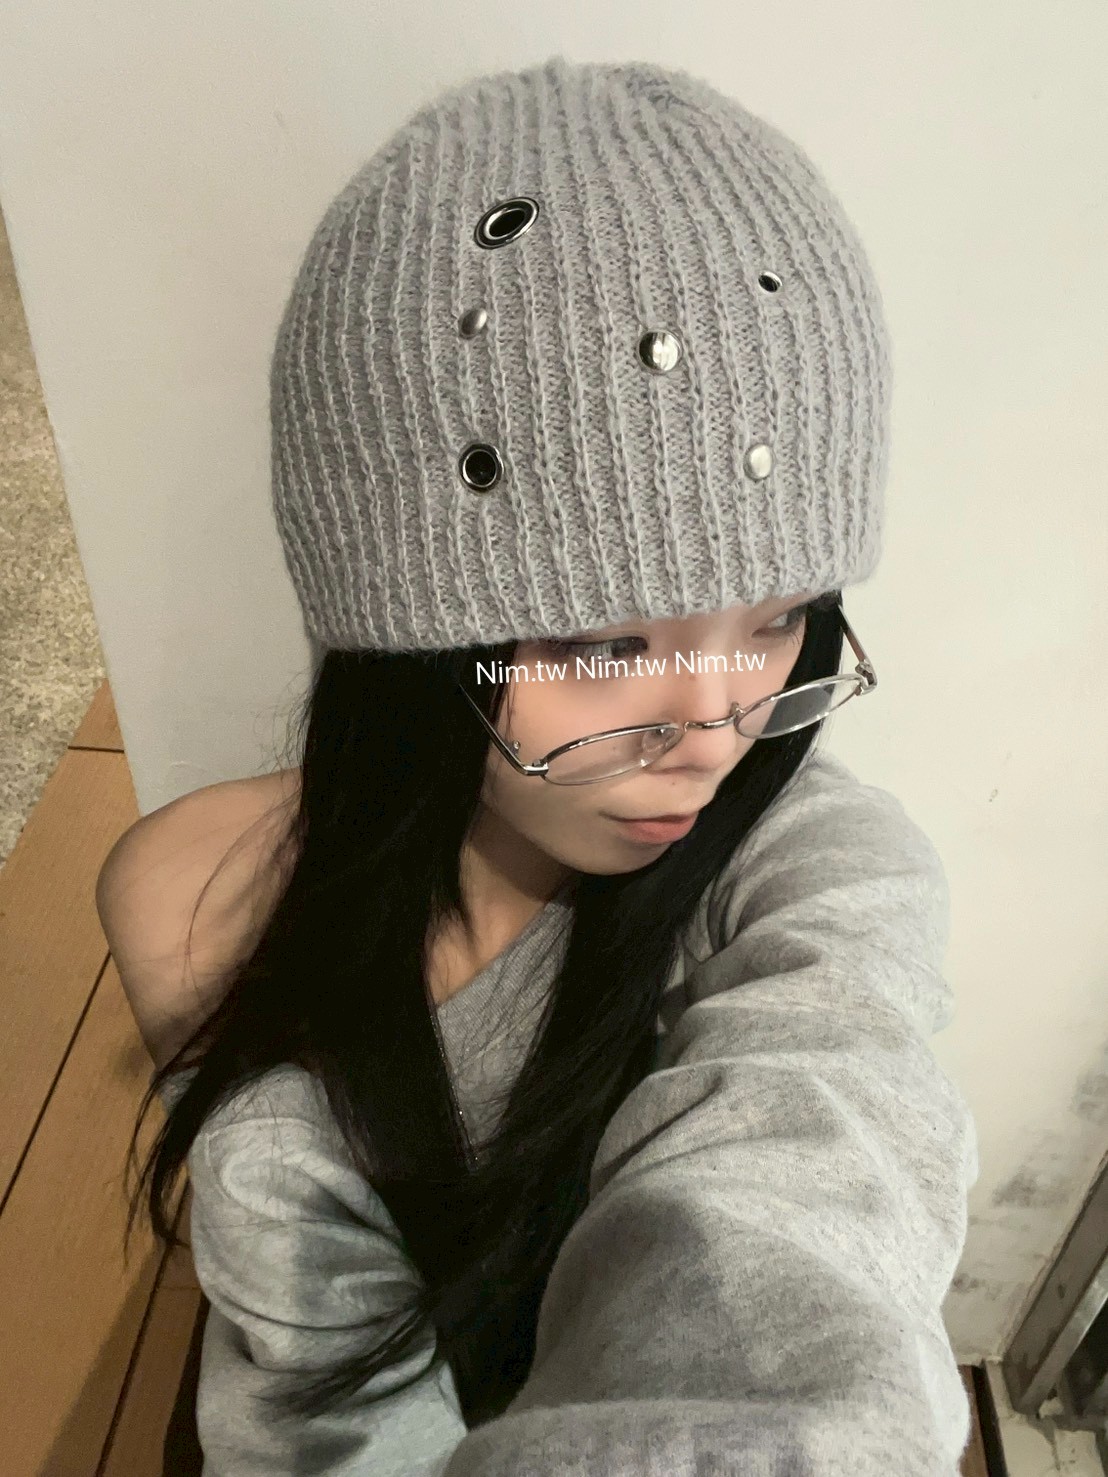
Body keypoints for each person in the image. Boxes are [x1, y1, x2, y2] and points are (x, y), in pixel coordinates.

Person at [119, 53, 980, 1475]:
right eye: (601, 642)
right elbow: (319, 1402)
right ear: (401, 643)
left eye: (779, 620)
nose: (717, 730)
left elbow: (812, 1168)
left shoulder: (811, 870)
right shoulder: (208, 900)